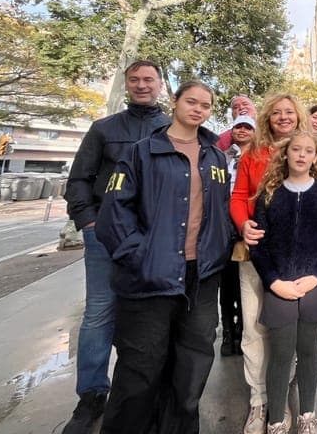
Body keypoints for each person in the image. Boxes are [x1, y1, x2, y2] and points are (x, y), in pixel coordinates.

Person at [96, 80, 233, 433]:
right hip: (149, 277)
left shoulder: (215, 156)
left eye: (205, 105)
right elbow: (114, 214)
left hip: (200, 278)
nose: (198, 109)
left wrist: (219, 250)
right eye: (191, 101)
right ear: (174, 102)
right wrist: (138, 255)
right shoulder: (141, 152)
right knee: (140, 369)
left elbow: (220, 212)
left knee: (191, 368)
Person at [62, 60, 170, 434]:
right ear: (127, 85)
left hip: (153, 238)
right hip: (105, 237)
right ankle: (91, 395)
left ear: (160, 85)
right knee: (99, 314)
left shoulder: (173, 129)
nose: (142, 86)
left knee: (148, 316)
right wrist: (90, 223)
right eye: (135, 80)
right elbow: (78, 180)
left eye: (148, 80)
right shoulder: (104, 128)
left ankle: (145, 392)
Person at [230, 94, 317, 433]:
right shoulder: (255, 158)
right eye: (276, 112)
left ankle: (301, 406)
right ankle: (262, 404)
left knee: (303, 344)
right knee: (255, 330)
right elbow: (239, 197)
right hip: (264, 257)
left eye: (289, 113)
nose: (283, 117)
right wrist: (243, 225)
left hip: (308, 271)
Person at [250, 131, 317, 434]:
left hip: (314, 283)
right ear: (285, 154)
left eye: (308, 151)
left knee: (309, 350)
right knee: (281, 353)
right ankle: (276, 418)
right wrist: (274, 282)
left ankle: (307, 415)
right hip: (279, 285)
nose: (302, 155)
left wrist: (316, 276)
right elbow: (258, 246)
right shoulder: (269, 194)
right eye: (296, 149)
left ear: (316, 157)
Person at [220, 115, 257, 357]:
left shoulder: (258, 155)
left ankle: (243, 329)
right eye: (238, 127)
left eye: (248, 127)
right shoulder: (221, 156)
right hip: (224, 224)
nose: (242, 131)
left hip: (247, 224)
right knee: (227, 282)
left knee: (246, 282)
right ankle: (227, 330)